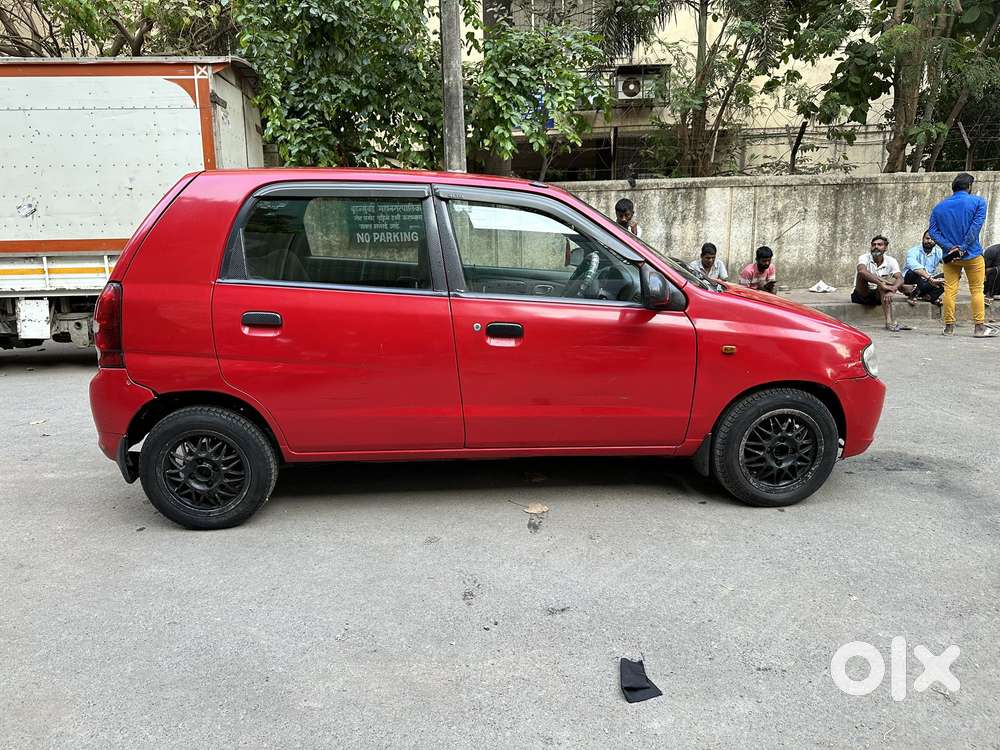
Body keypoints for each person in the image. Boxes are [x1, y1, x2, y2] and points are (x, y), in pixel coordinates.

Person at [928, 172, 996, 337]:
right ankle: (979, 327)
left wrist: (950, 247)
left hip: (951, 257)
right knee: (977, 290)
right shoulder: (978, 202)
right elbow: (975, 227)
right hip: (972, 254)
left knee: (950, 290)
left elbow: (933, 232)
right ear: (969, 186)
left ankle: (949, 327)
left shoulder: (939, 207)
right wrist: (963, 247)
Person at [852, 235, 912, 332]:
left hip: (878, 295)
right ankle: (895, 286)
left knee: (887, 284)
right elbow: (862, 271)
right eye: (873, 245)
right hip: (861, 294)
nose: (876, 247)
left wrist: (893, 289)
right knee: (862, 273)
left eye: (879, 245)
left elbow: (900, 278)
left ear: (885, 248)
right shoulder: (864, 257)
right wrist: (882, 283)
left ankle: (889, 322)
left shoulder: (891, 260)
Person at [902, 230, 944, 306]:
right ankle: (913, 294)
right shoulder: (913, 251)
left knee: (952, 275)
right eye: (927, 238)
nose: (930, 241)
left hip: (927, 284)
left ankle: (929, 296)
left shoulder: (939, 252)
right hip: (912, 284)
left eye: (933, 239)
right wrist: (930, 279)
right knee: (912, 272)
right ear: (922, 238)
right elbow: (914, 266)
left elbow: (948, 263)